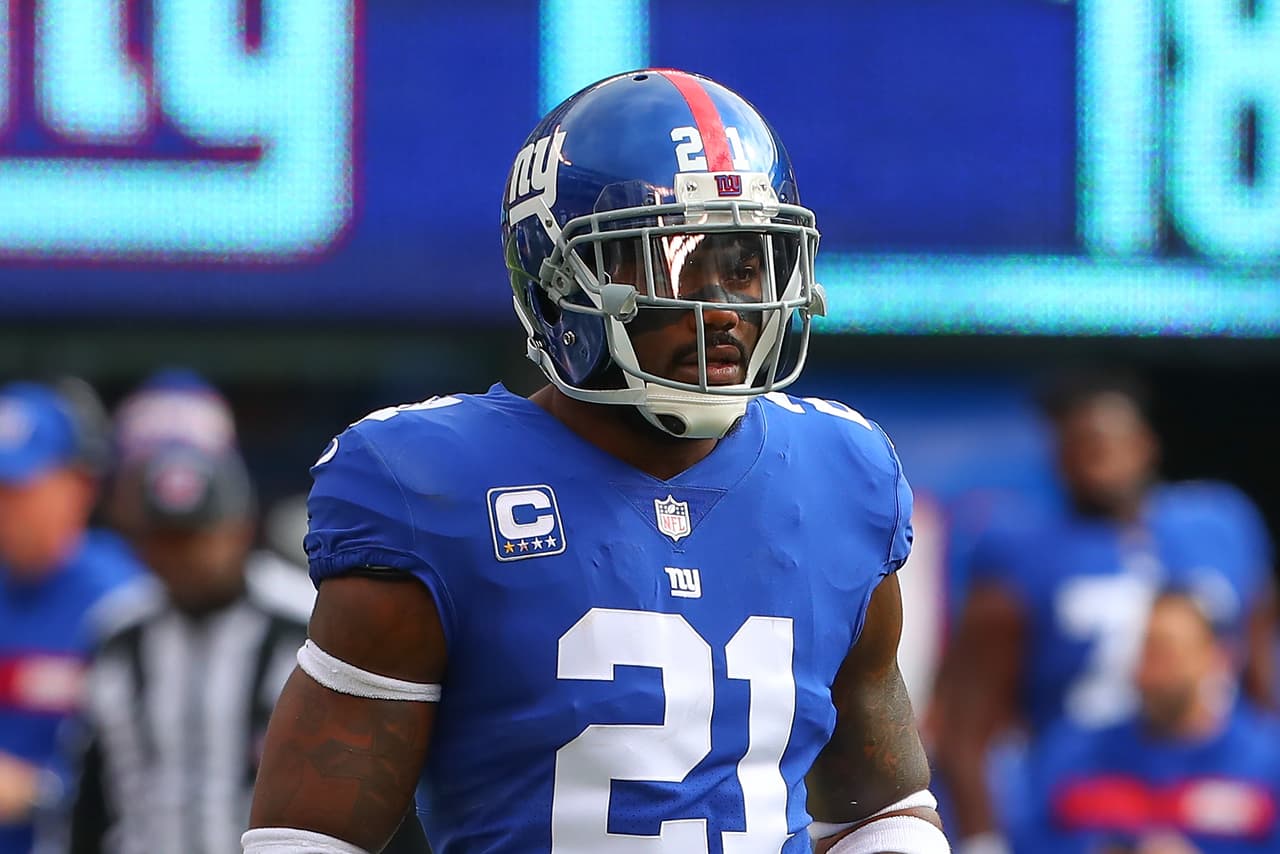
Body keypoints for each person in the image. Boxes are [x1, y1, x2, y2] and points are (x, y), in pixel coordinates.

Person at [246, 69, 948, 853]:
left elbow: (878, 810)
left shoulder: (841, 475)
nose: (720, 308)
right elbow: (310, 838)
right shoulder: (433, 488)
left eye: (744, 265)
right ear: (556, 283)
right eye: (668, 266)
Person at [931, 374, 1275, 854]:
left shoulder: (1221, 524)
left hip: (1219, 777)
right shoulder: (1021, 552)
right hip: (1086, 787)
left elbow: (1261, 677)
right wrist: (984, 844)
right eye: (1079, 445)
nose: (1097, 460)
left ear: (1146, 444)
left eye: (1109, 440)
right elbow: (963, 722)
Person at [47, 440, 430, 853]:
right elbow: (90, 794)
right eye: (165, 539)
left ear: (240, 529)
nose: (181, 557)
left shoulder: (308, 623)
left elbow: (375, 781)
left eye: (196, 537)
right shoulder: (118, 634)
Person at [0, 380, 141, 854]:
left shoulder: (124, 601)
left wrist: (39, 790)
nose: (3, 508)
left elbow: (161, 769)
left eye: (17, 488)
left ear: (79, 486)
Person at [1028, 589, 1280, 853]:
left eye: (1168, 652)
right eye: (1146, 650)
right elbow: (1030, 840)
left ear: (1217, 658)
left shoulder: (1265, 764)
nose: (1152, 671)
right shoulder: (1073, 755)